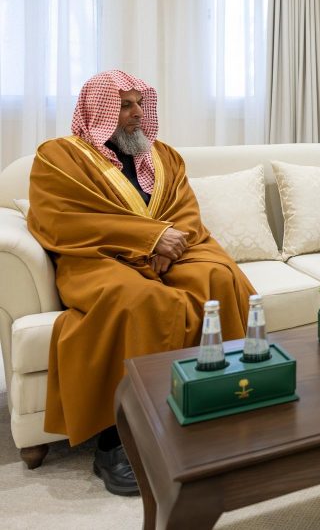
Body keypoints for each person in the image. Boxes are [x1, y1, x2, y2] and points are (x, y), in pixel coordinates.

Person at [28, 69, 253, 495]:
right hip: (98, 257)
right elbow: (62, 221)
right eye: (124, 105)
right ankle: (117, 439)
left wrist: (167, 243)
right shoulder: (59, 157)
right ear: (99, 110)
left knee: (219, 276)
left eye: (140, 104)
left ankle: (220, 403)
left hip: (169, 254)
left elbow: (185, 211)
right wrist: (148, 239)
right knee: (141, 301)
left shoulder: (163, 155)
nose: (136, 113)